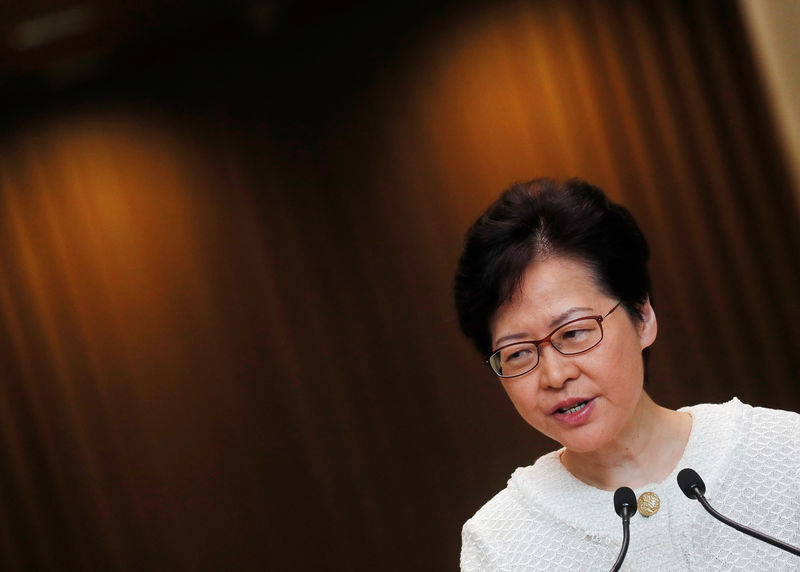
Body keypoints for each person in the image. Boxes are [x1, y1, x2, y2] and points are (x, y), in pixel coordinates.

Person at [454, 178, 800, 570]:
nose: (554, 375)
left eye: (574, 332)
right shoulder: (503, 544)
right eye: (517, 353)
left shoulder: (784, 452)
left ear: (642, 318)